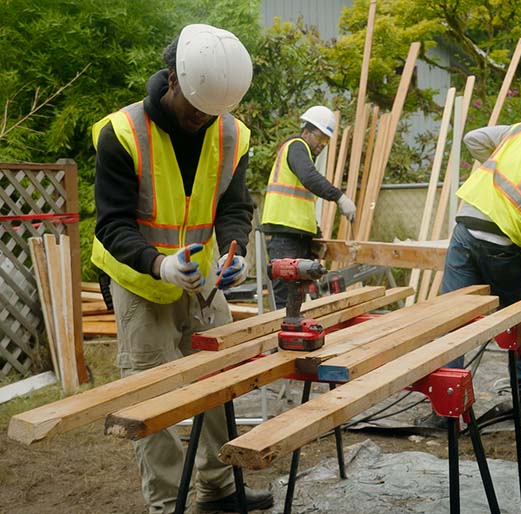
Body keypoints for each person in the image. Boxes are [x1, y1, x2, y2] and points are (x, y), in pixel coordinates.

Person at [91, 24, 273, 513]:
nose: (202, 120)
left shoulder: (232, 132)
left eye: (212, 113)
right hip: (137, 278)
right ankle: (167, 503)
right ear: (172, 79)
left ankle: (219, 489)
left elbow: (235, 207)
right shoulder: (122, 133)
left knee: (219, 375)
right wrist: (158, 264)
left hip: (202, 278)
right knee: (151, 394)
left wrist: (232, 252)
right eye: (195, 109)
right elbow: (111, 224)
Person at [416, 122, 521, 427]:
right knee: (514, 321)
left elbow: (471, 137)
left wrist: (495, 172)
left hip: (465, 226)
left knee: (452, 321)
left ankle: (445, 412)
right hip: (500, 241)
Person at [261, 105, 356, 307]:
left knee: (296, 299)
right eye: (320, 138)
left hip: (297, 235)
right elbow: (309, 178)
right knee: (285, 300)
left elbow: (301, 203)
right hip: (284, 235)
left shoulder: (303, 154)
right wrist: (339, 197)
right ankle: (282, 337)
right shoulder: (296, 146)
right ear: (307, 131)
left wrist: (315, 232)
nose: (322, 145)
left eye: (326, 141)